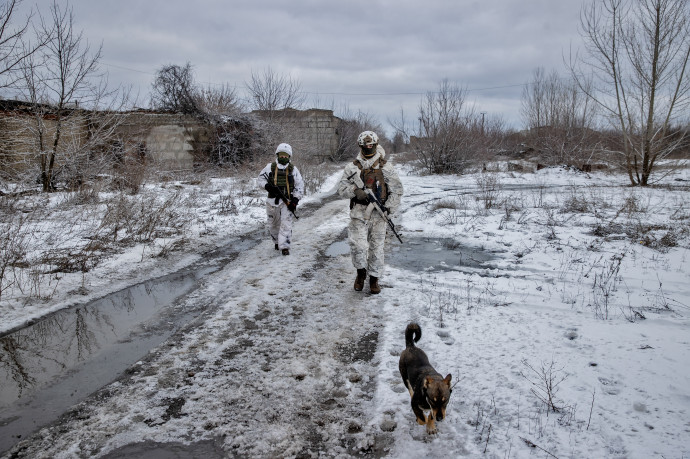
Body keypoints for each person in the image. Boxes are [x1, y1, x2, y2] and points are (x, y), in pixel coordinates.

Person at [338, 130, 403, 294]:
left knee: (376, 248)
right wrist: (355, 191)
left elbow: (397, 190)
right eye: (365, 145)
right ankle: (361, 274)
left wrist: (388, 208)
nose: (368, 147)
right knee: (358, 245)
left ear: (375, 144)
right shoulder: (352, 167)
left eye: (371, 145)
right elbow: (341, 190)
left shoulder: (386, 166)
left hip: (379, 214)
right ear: (360, 146)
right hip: (358, 213)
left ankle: (374, 279)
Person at [257, 143, 304, 256]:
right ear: (277, 155)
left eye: (286, 156)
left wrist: (295, 200)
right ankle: (277, 242)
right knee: (273, 224)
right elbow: (260, 180)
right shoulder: (270, 167)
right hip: (272, 202)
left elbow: (299, 186)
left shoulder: (293, 169)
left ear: (289, 157)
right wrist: (268, 187)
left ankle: (285, 247)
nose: (283, 158)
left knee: (286, 224)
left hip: (286, 201)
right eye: (281, 155)